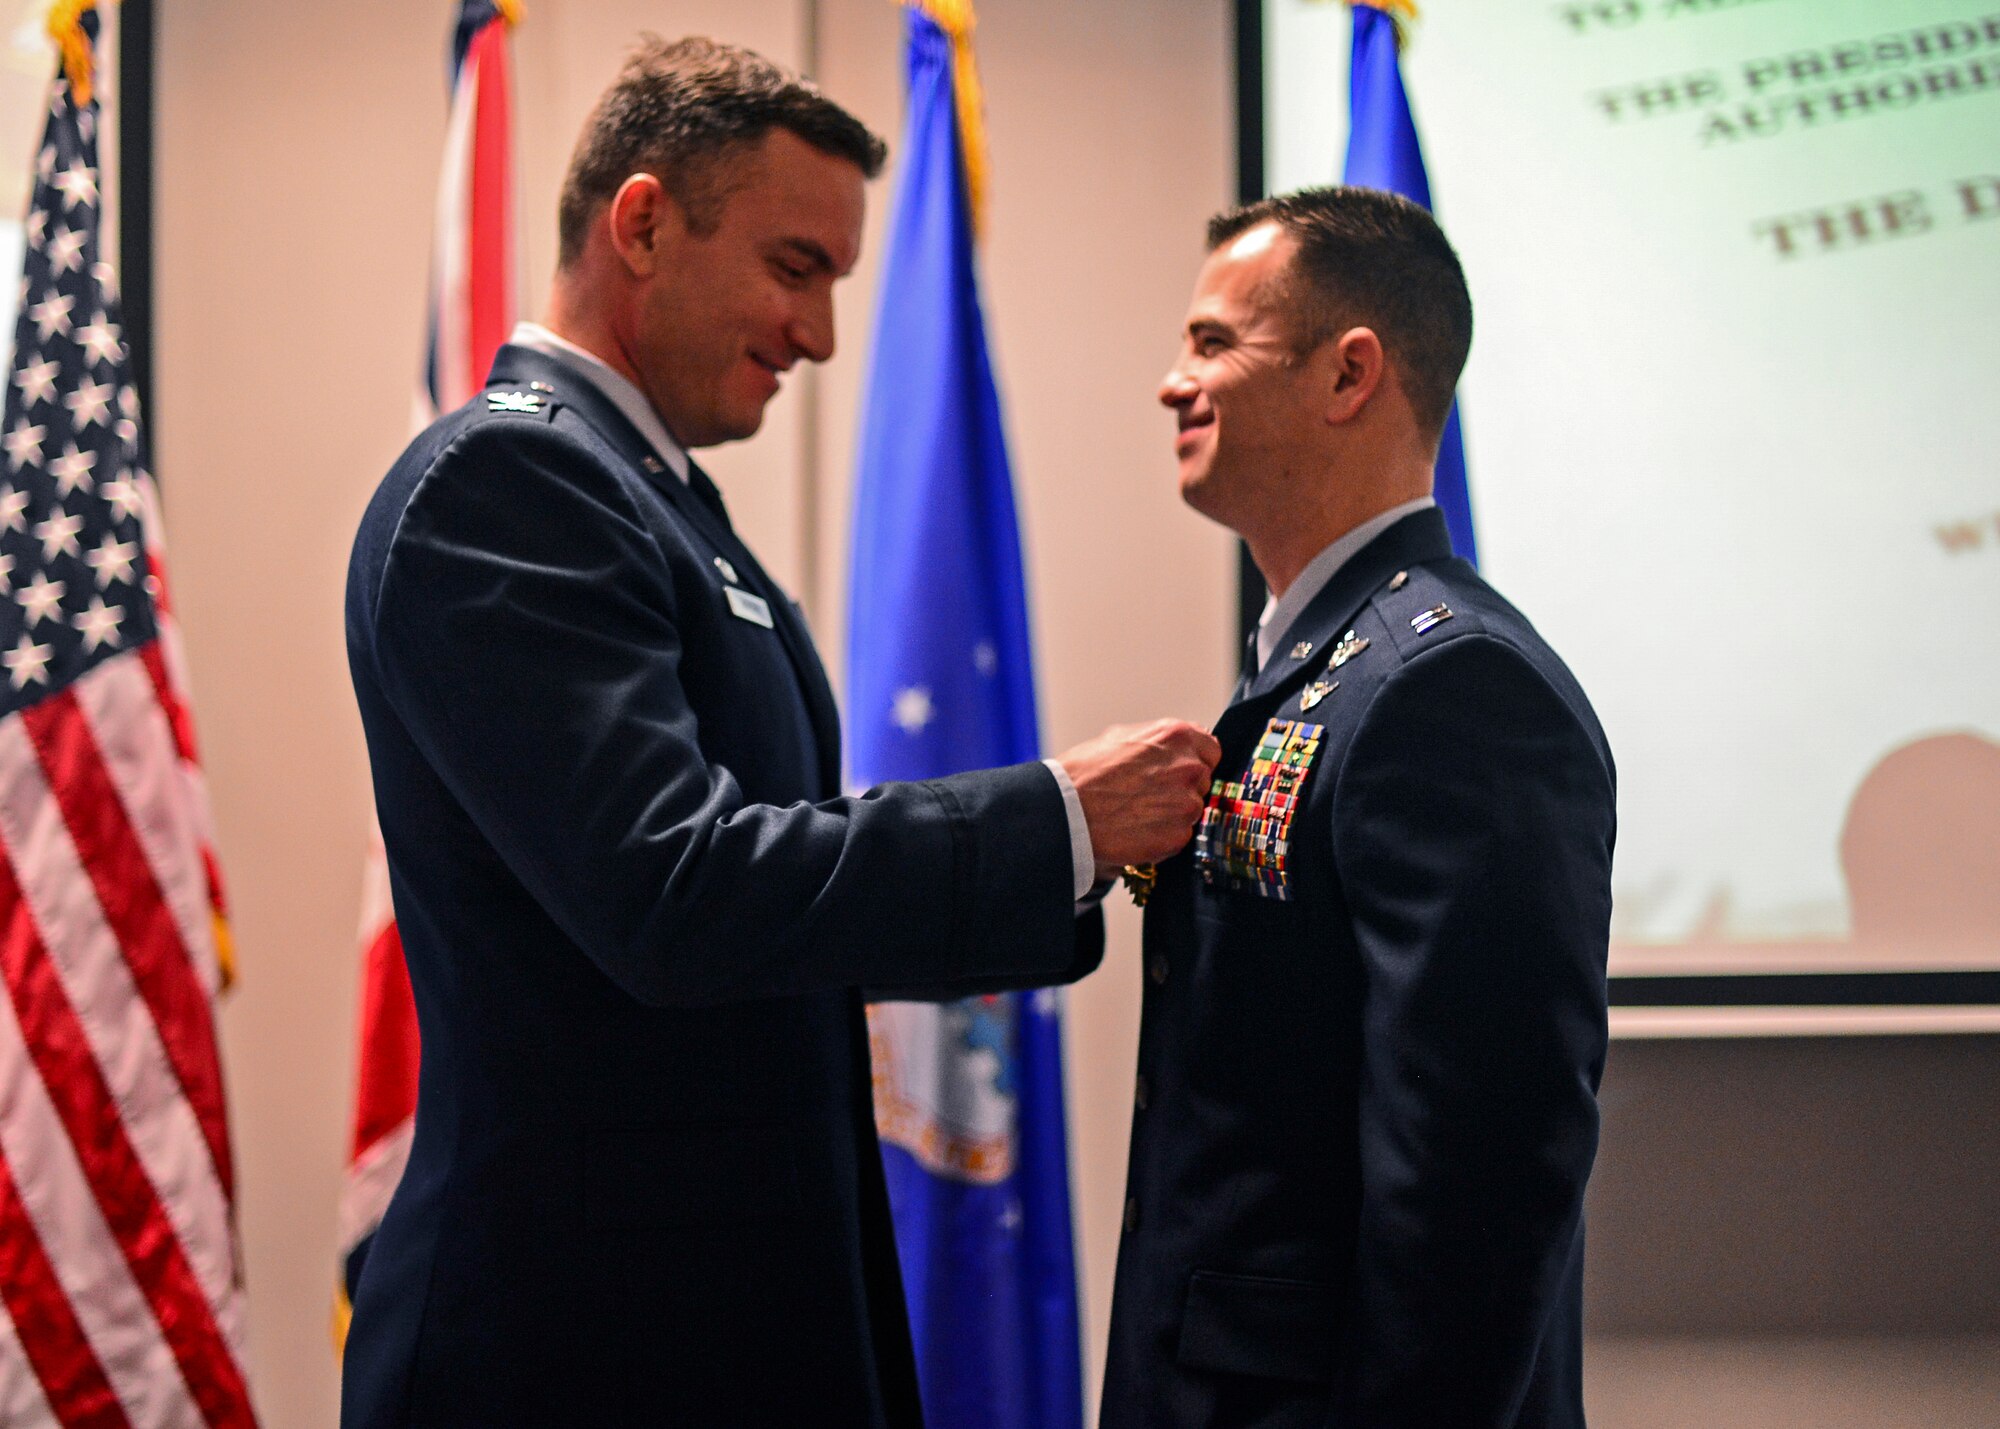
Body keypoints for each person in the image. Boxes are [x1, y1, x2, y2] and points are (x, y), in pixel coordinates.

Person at [341, 37, 1217, 1428]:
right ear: (642, 223)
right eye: (794, 268)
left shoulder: (647, 497)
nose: (817, 336)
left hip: (692, 1323)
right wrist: (1053, 819)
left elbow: (768, 899)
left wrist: (1063, 863)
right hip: (576, 1347)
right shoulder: (508, 482)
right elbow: (678, 891)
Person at [1100, 187, 1616, 1428]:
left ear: (1348, 375)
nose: (1173, 383)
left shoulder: (1450, 686)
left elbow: (1477, 1185)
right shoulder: (1324, 663)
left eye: (1214, 343)